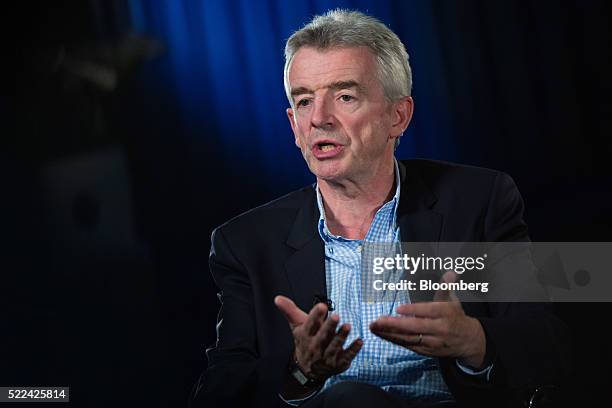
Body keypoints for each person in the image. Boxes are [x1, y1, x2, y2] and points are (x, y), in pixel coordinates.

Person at [191, 9, 570, 408]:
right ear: (293, 126)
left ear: (398, 116)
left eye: (345, 96)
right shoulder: (248, 243)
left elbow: (547, 340)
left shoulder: (477, 202)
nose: (319, 118)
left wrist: (474, 341)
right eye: (304, 101)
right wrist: (301, 371)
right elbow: (217, 395)